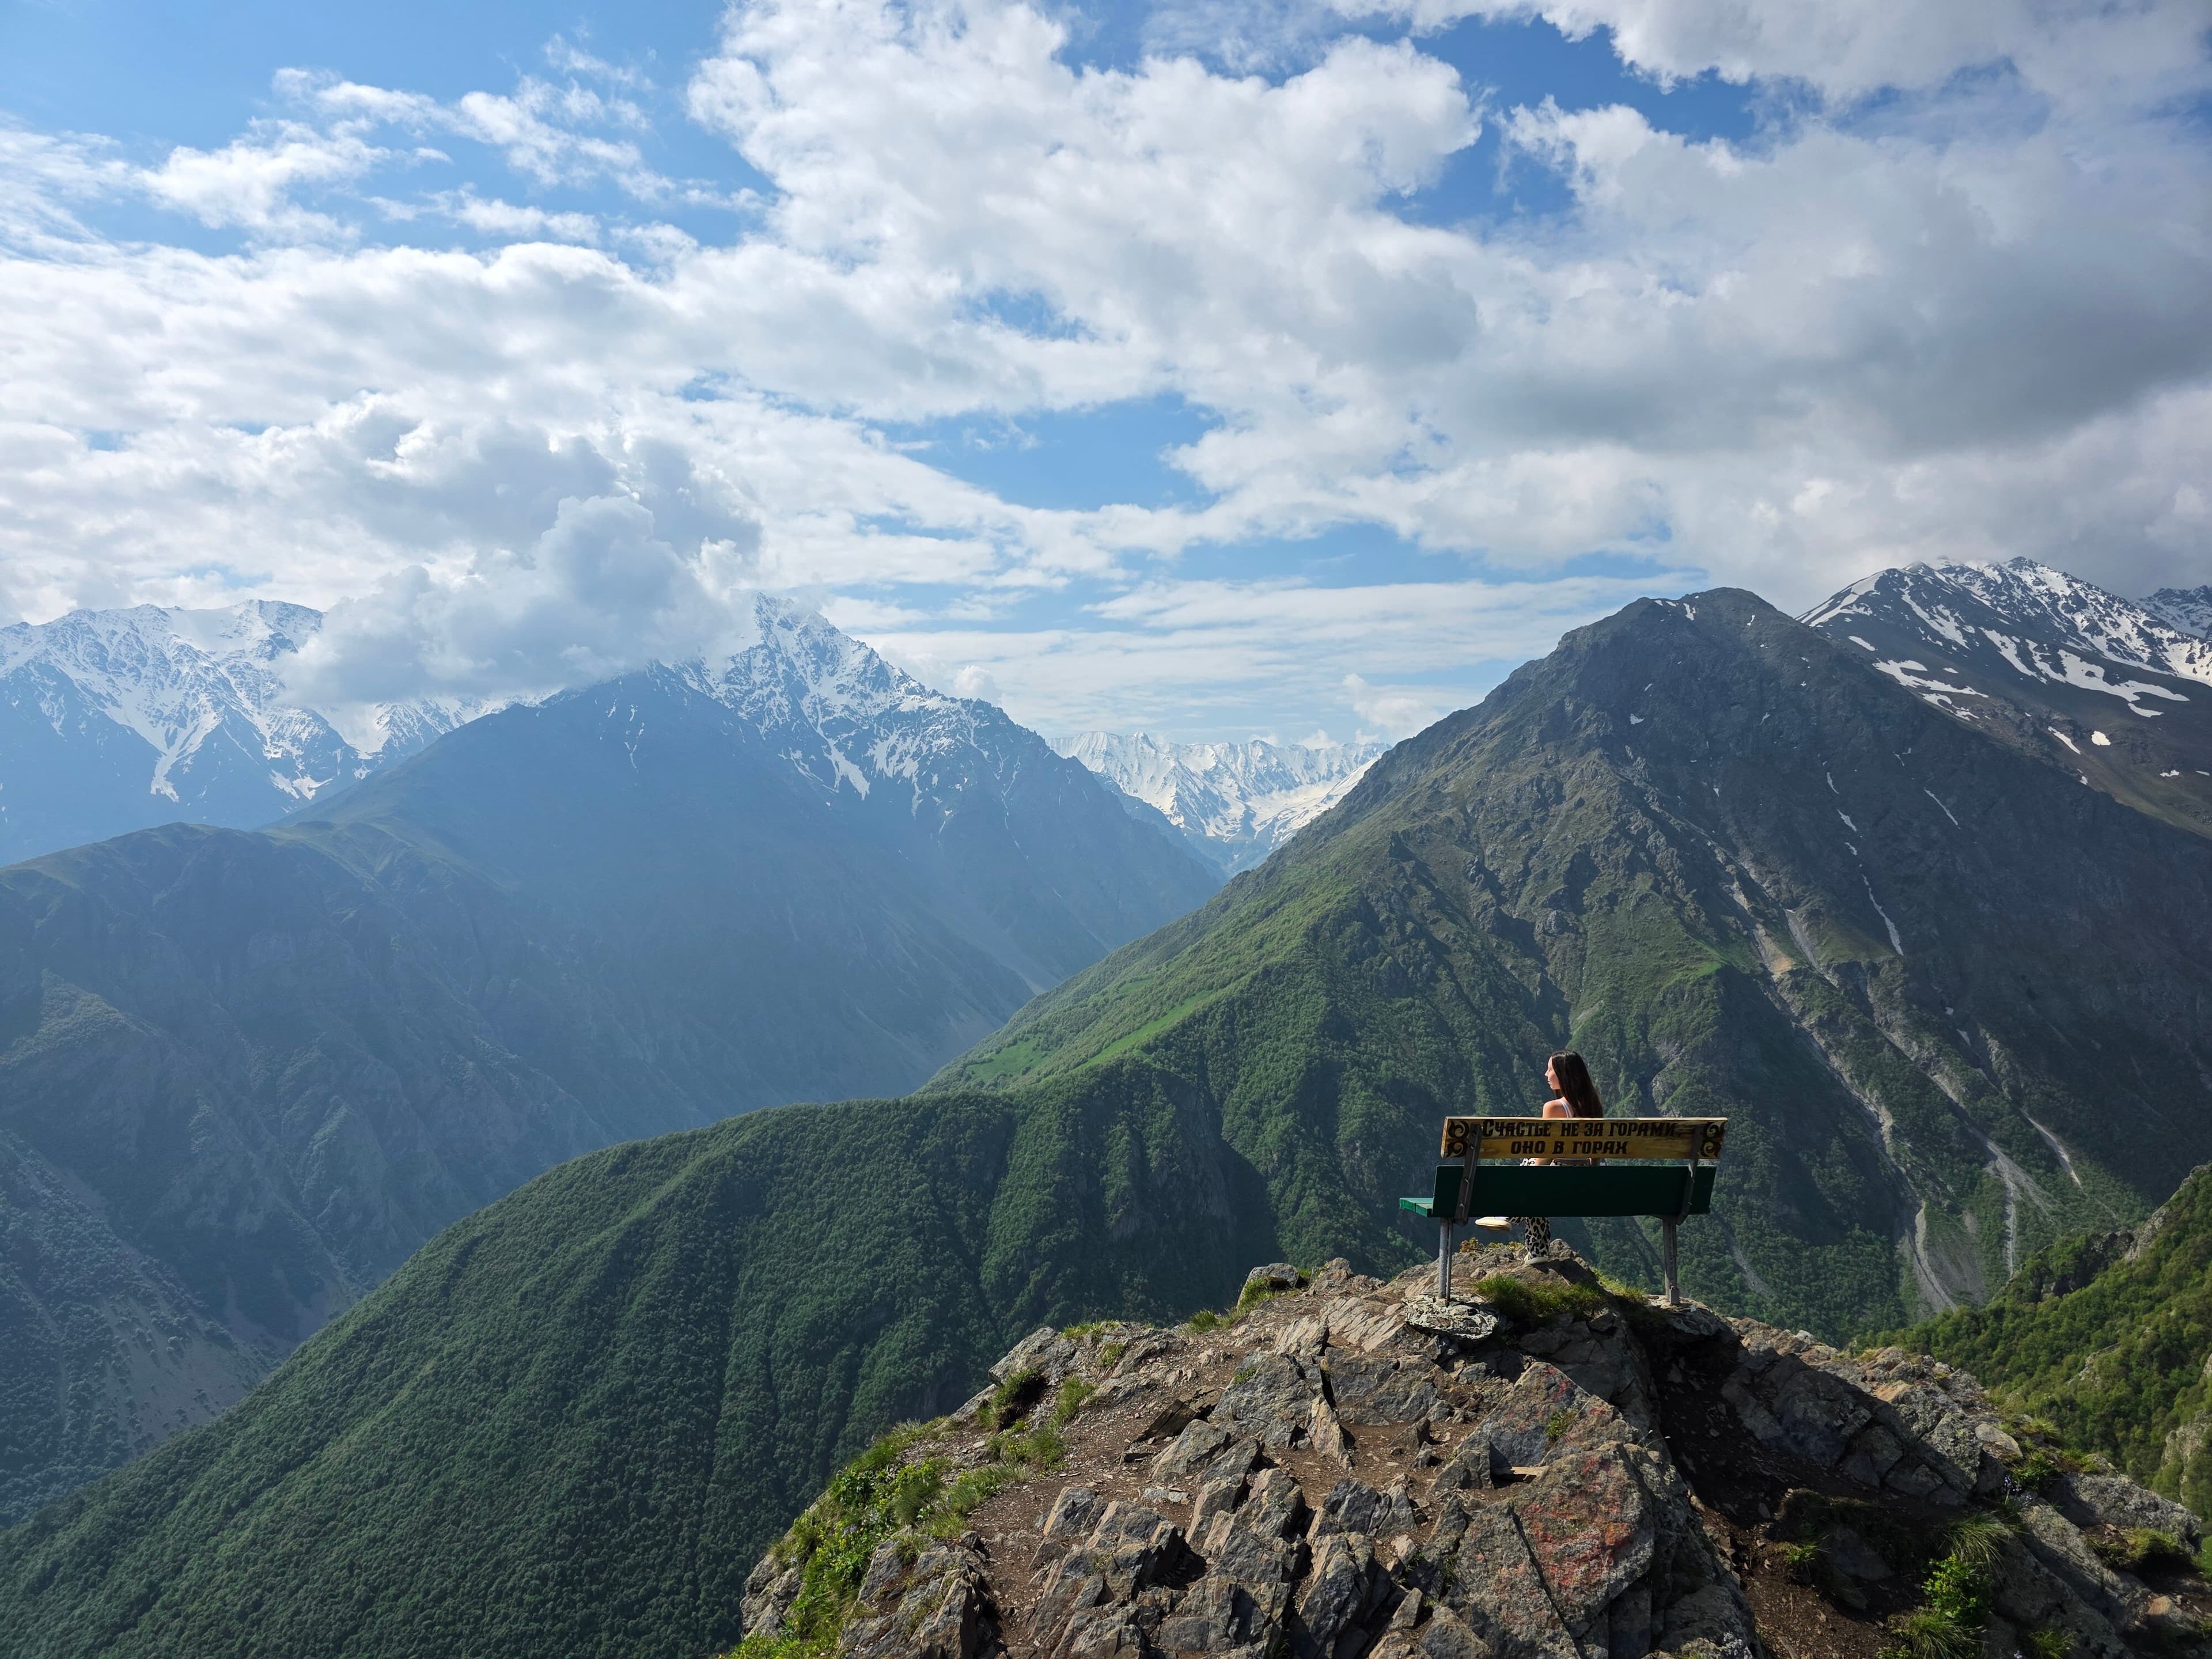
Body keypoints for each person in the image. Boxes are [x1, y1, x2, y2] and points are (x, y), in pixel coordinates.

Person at [1491, 1050, 1605, 1263]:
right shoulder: (1592, 1106)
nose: (1546, 1074)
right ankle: (1538, 1252)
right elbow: (1595, 1155)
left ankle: (1509, 1214)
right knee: (1536, 1182)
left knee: (1532, 1170)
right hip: (1583, 1182)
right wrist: (1590, 1171)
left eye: (1550, 1069)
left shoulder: (1553, 1107)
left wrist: (1527, 1175)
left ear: (1564, 1075)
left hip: (1554, 1181)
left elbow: (1545, 1154)